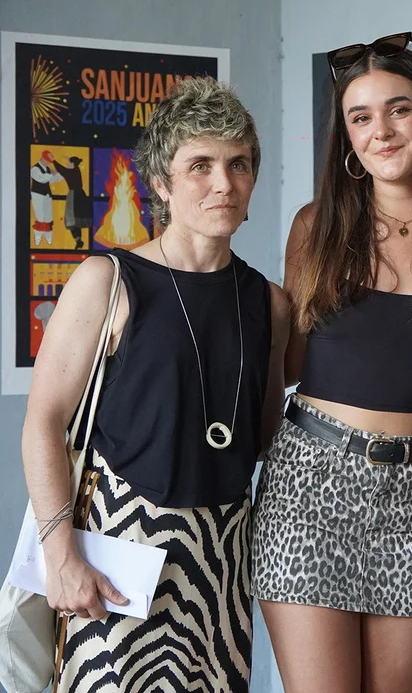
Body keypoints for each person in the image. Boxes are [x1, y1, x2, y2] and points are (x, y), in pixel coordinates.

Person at [21, 77, 290, 691]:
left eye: (239, 164)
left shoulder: (269, 303)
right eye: (201, 166)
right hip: (115, 548)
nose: (224, 184)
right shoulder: (107, 280)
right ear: (162, 184)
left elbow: (263, 437)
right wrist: (61, 556)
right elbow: (42, 423)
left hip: (222, 556)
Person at [251, 32, 412, 693]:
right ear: (347, 139)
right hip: (310, 489)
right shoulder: (318, 226)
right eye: (360, 117)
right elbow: (289, 363)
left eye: (398, 109)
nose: (380, 131)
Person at [53, 155, 92, 249]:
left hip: (74, 197)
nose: (67, 164)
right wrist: (68, 159)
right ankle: (78, 240)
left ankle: (78, 240)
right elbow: (67, 167)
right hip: (80, 196)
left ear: (73, 164)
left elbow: (61, 169)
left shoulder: (70, 172)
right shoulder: (76, 170)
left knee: (72, 220)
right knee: (76, 220)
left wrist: (53, 160)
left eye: (69, 163)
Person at [30, 150, 62, 245]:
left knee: (48, 217)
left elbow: (53, 179)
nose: (48, 163)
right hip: (38, 195)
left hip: (47, 195)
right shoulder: (35, 169)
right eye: (47, 160)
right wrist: (52, 174)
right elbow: (41, 179)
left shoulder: (48, 169)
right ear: (43, 158)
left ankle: (48, 237)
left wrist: (62, 174)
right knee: (40, 217)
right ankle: (38, 237)